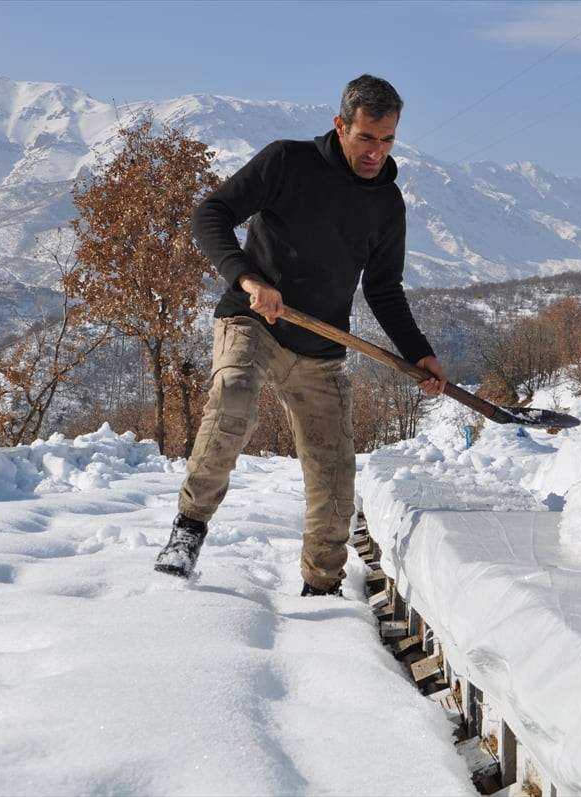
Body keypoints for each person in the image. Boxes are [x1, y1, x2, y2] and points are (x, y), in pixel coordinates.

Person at [155, 75, 446, 595]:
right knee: (233, 397)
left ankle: (322, 587)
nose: (376, 152)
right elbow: (211, 213)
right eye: (366, 138)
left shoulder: (387, 205)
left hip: (322, 348)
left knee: (334, 475)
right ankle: (188, 529)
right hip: (254, 322)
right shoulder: (287, 161)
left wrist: (419, 354)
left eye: (387, 140)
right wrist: (250, 280)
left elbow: (383, 290)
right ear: (340, 125)